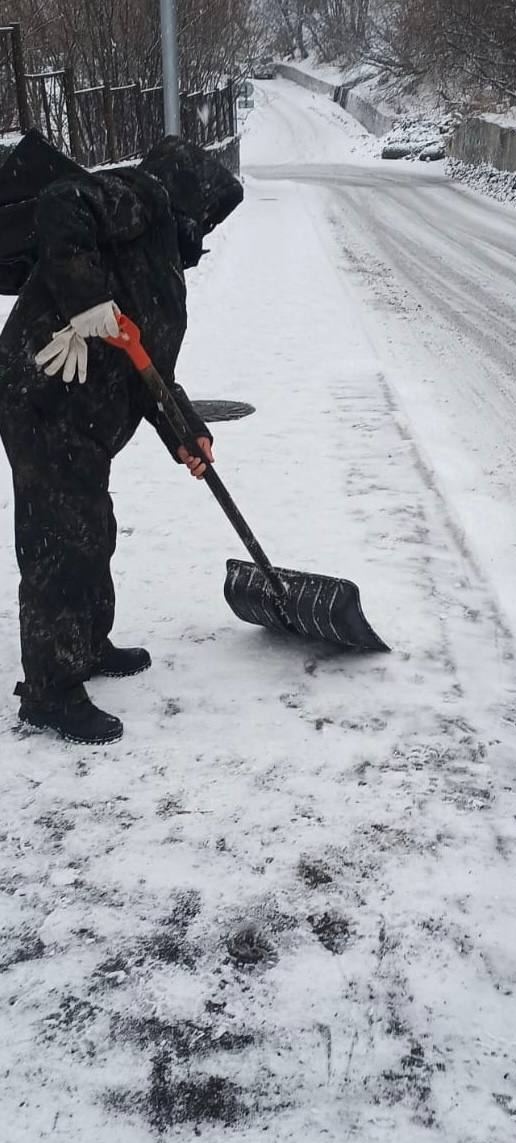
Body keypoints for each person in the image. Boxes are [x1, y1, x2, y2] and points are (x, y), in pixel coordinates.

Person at [0, 129, 243, 744]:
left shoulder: (154, 257)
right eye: (209, 216)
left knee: (93, 529)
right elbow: (62, 201)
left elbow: (148, 366)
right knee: (62, 540)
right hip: (44, 394)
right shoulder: (144, 196)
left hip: (81, 413)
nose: (206, 233)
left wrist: (186, 432)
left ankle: (86, 646)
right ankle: (50, 691)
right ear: (192, 197)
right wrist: (86, 304)